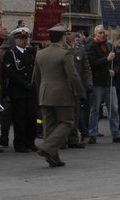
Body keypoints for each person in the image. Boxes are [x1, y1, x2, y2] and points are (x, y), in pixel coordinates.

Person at [34, 24, 84, 167]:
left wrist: (40, 92)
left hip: (45, 93)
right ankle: (47, 147)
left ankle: (53, 157)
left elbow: (36, 77)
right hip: (62, 94)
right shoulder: (65, 53)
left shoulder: (40, 53)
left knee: (49, 126)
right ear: (62, 38)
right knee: (67, 122)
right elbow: (73, 75)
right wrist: (80, 92)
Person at [2, 27, 38, 153]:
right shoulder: (10, 53)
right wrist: (24, 84)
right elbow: (10, 72)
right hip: (18, 91)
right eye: (20, 39)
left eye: (25, 38)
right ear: (15, 40)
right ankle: (20, 143)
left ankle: (30, 142)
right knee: (19, 119)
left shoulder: (32, 52)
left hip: (31, 90)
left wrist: (32, 83)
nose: (23, 41)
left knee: (31, 117)